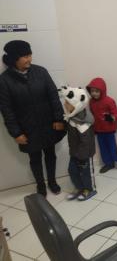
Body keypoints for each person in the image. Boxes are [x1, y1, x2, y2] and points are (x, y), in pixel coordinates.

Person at [0, 40, 65, 196]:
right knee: (34, 158)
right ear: (14, 58)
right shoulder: (4, 80)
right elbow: (6, 109)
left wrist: (58, 119)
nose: (29, 59)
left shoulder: (41, 72)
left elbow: (53, 96)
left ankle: (52, 181)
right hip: (27, 128)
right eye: (24, 56)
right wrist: (16, 133)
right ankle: (41, 185)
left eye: (30, 54)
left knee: (50, 154)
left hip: (49, 124)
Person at [59, 86, 97, 201]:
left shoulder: (84, 122)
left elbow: (86, 141)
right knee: (72, 170)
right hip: (74, 152)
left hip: (84, 154)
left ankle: (89, 189)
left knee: (86, 173)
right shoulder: (72, 118)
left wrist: (82, 156)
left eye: (67, 103)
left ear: (77, 105)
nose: (65, 105)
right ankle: (79, 187)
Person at [86, 77, 117, 173]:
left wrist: (112, 117)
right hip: (99, 131)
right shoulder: (91, 102)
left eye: (97, 91)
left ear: (102, 90)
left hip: (110, 131)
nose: (94, 93)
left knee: (113, 150)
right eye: (92, 91)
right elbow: (92, 115)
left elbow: (116, 113)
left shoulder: (109, 101)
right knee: (103, 150)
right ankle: (109, 164)